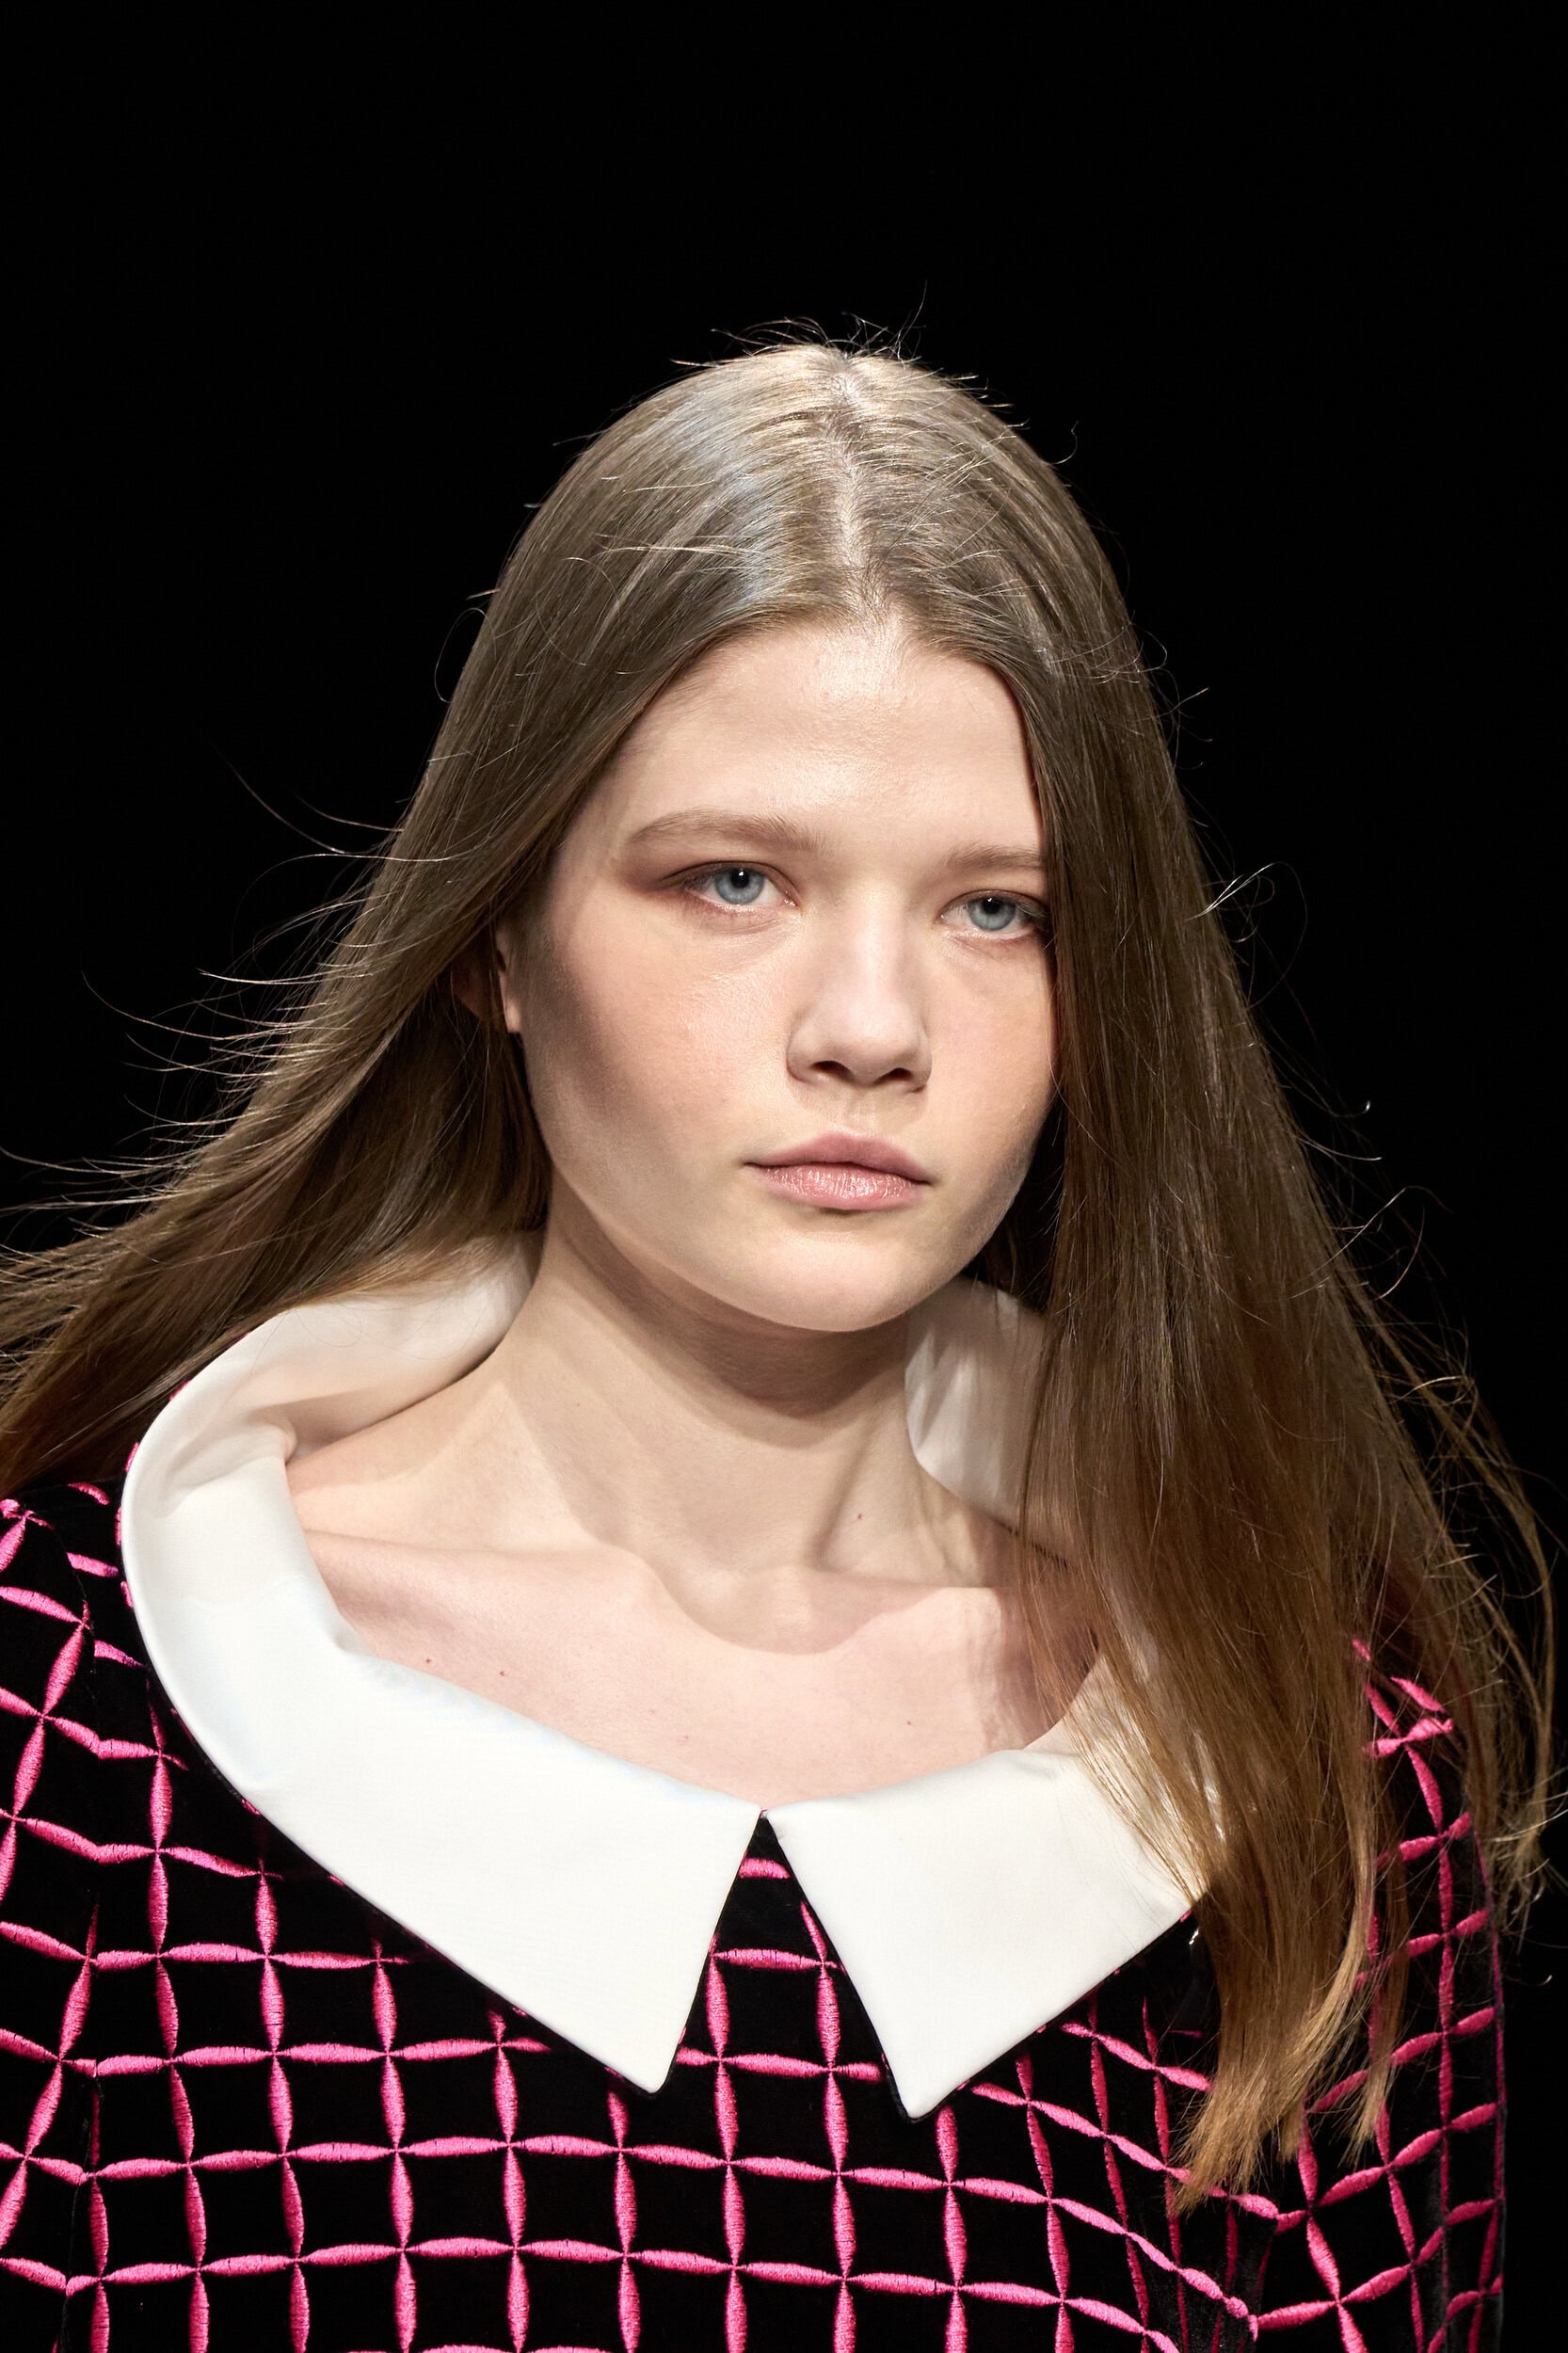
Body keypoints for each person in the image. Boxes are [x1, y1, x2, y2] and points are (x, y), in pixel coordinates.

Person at [0, 343, 1546, 2350]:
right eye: (733, 882)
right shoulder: (73, 1711)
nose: (870, 1027)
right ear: (494, 932)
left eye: (998, 912)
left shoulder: (1304, 1781)